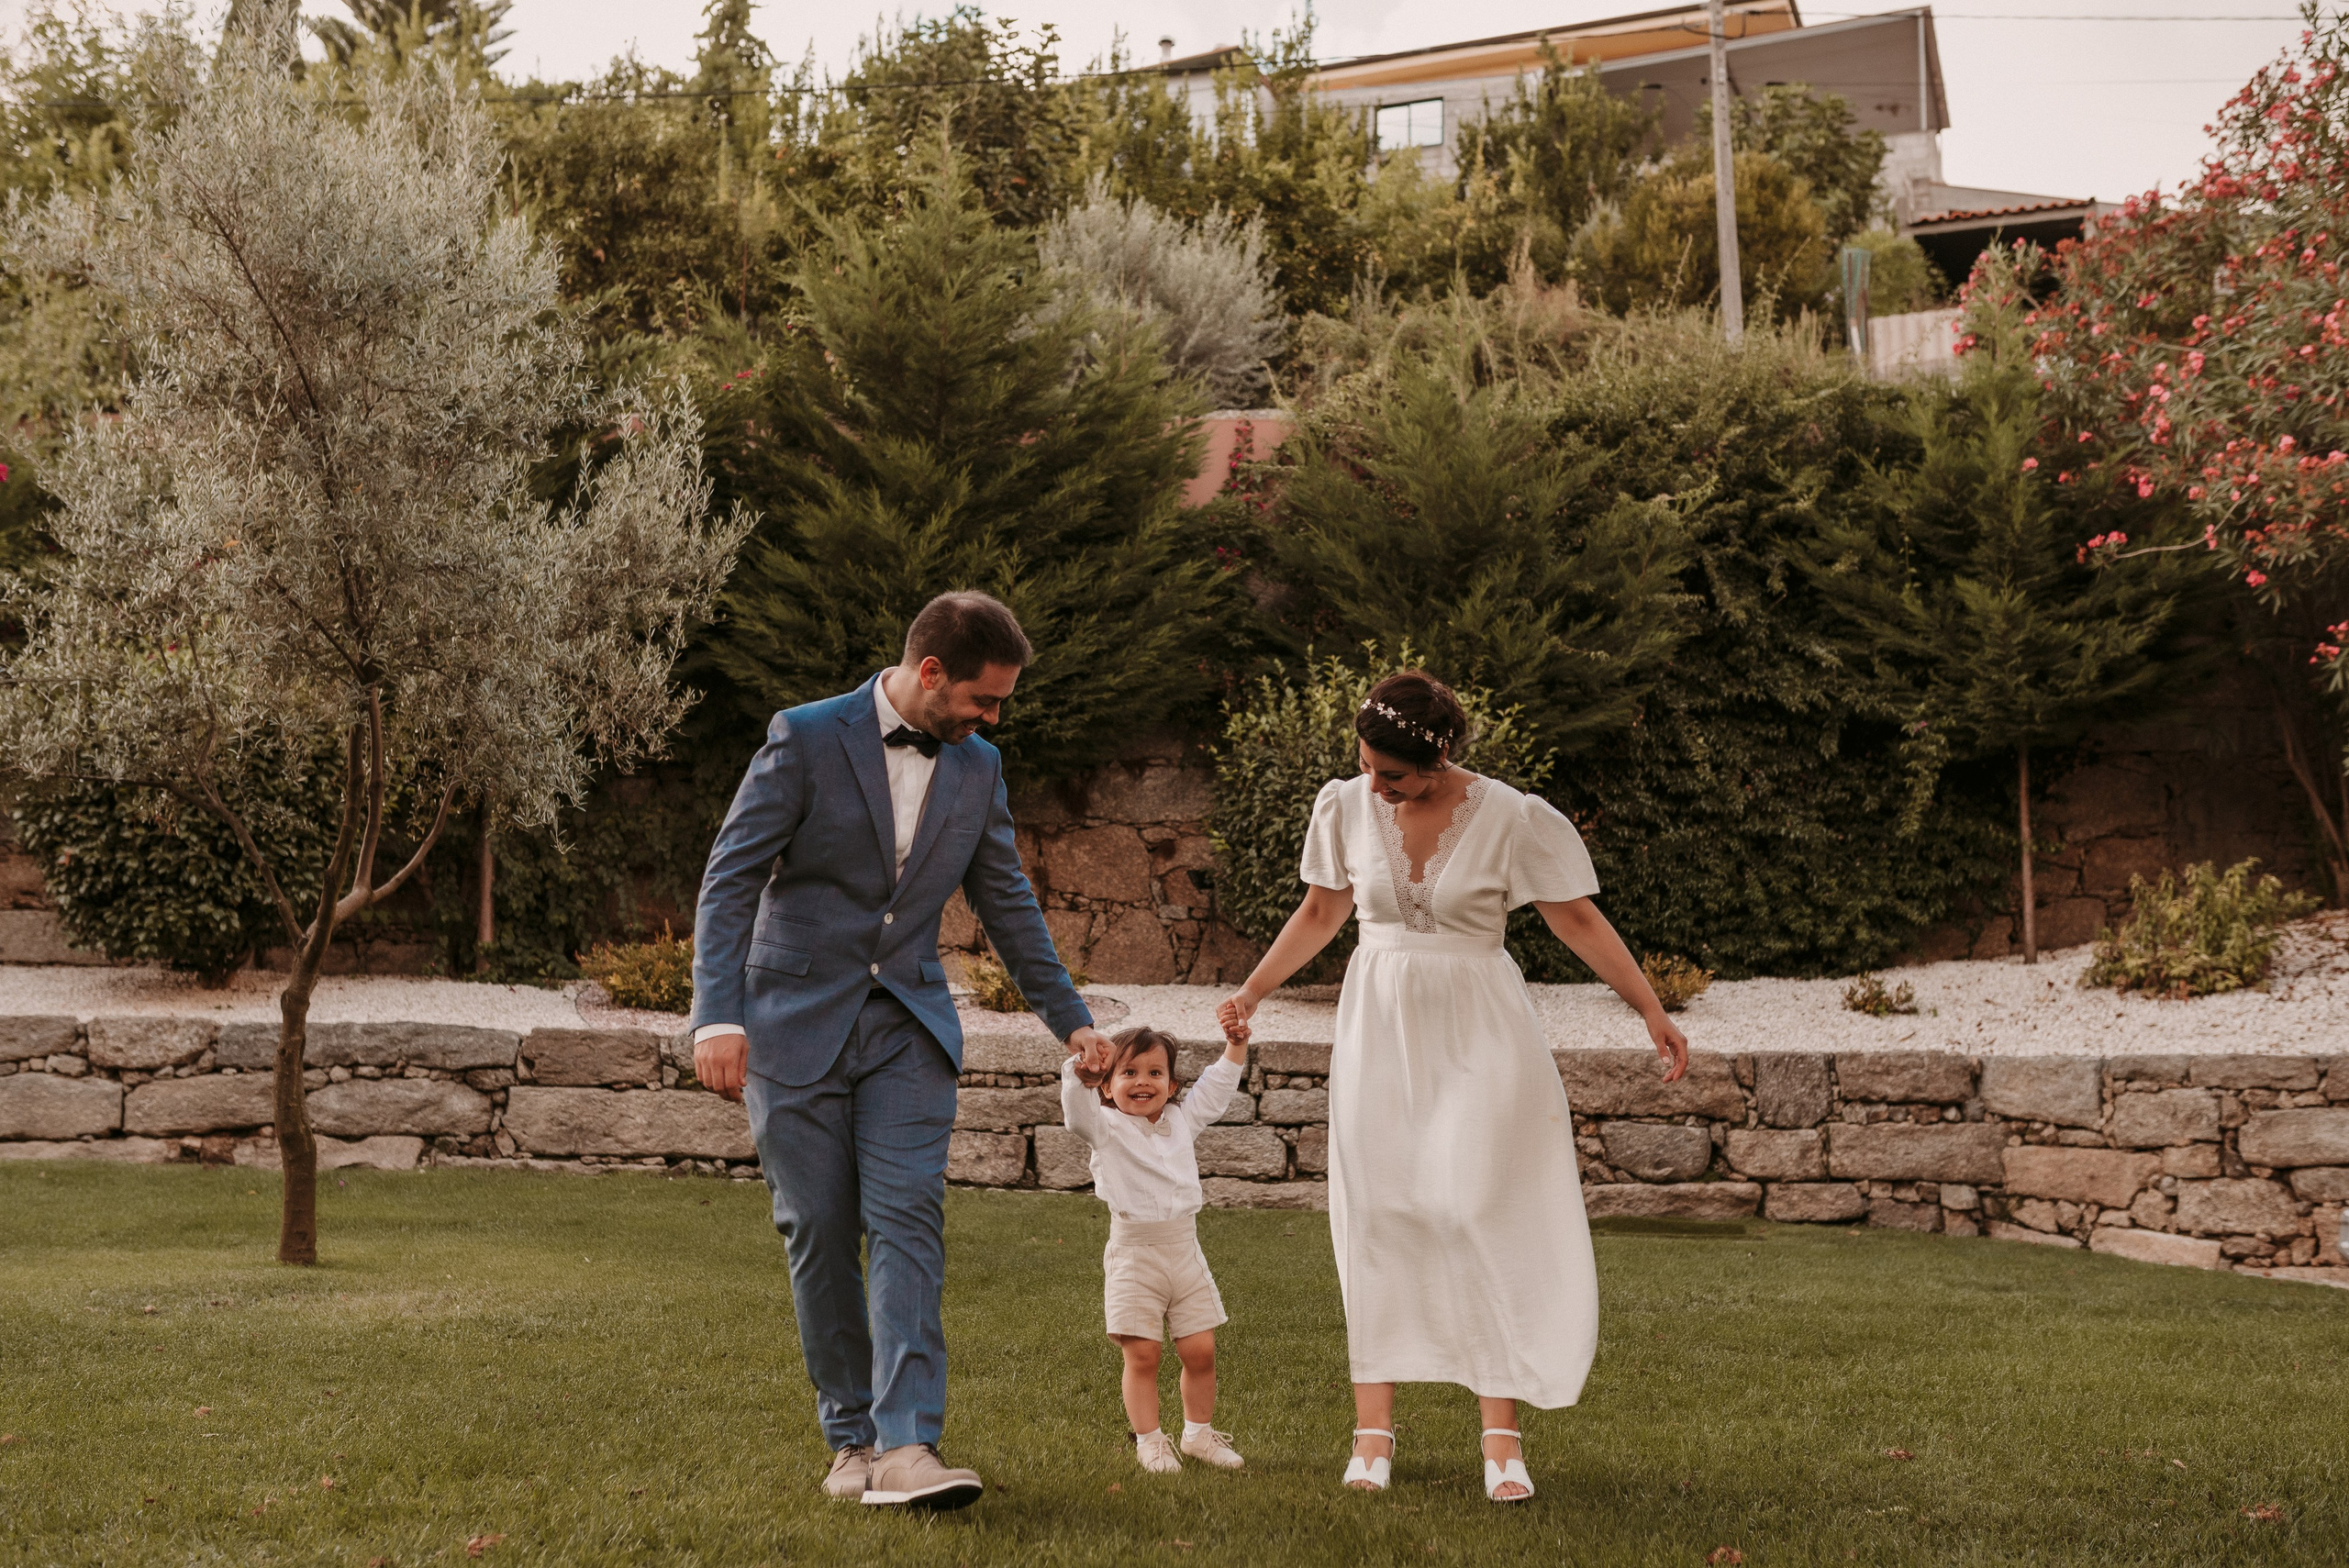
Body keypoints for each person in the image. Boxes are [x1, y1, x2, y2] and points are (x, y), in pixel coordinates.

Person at [1216, 670, 1689, 1504]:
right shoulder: (1346, 804)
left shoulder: (1512, 816)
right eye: (1366, 765)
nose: (1376, 785)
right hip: (1380, 1027)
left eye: (1392, 775)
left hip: (1480, 1028)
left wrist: (1649, 1008)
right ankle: (1373, 1430)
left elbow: (1575, 917)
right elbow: (1324, 911)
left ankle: (1501, 1439)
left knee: (1476, 1208)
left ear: (1436, 762)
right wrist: (1252, 991)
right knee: (1381, 1211)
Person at [689, 590, 1115, 1510]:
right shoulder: (803, 737)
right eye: (983, 698)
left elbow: (1007, 901)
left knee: (908, 1221)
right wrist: (715, 1015)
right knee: (818, 1232)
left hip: (907, 1028)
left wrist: (1071, 1017)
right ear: (930, 673)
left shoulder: (978, 768)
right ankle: (851, 1440)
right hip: (790, 1017)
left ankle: (910, 1443)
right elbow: (730, 880)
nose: (992, 718)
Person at [1058, 1023, 1252, 1476]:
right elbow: (1076, 1114)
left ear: (1172, 1085)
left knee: (1201, 1351)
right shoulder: (1103, 1126)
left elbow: (1217, 1088)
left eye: (1154, 1073)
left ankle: (1198, 1435)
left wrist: (1235, 1045)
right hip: (1134, 1254)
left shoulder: (1182, 1120)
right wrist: (1079, 1068)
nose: (1142, 1082)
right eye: (1129, 1072)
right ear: (1107, 1086)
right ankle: (1150, 1441)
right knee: (1143, 1354)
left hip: (1184, 1249)